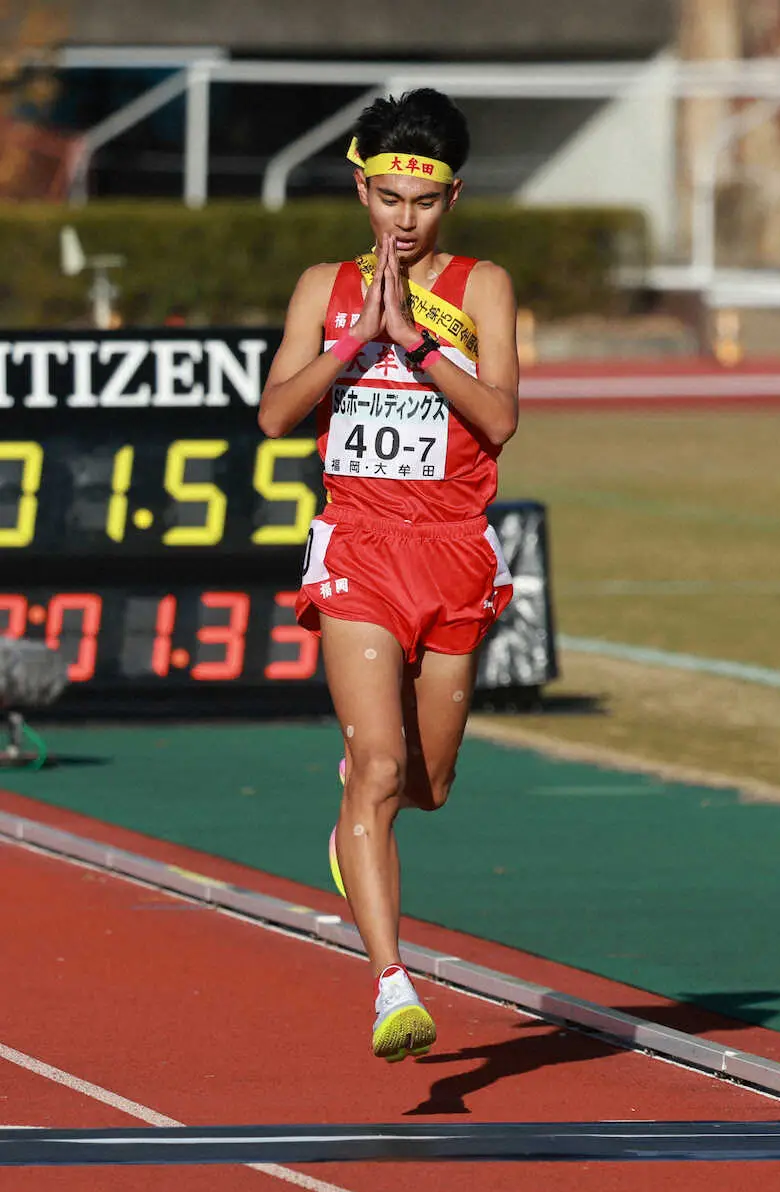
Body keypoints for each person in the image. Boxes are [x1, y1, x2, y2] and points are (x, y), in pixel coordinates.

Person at [258, 88, 518, 1063]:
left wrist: (415, 341)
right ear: (363, 192)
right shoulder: (323, 285)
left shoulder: (482, 287)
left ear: (451, 199)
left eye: (425, 202)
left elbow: (500, 420)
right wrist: (353, 342)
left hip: (451, 549)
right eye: (389, 199)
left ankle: (357, 815)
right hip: (360, 547)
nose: (405, 221)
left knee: (427, 784)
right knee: (378, 768)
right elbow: (275, 415)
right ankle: (391, 986)